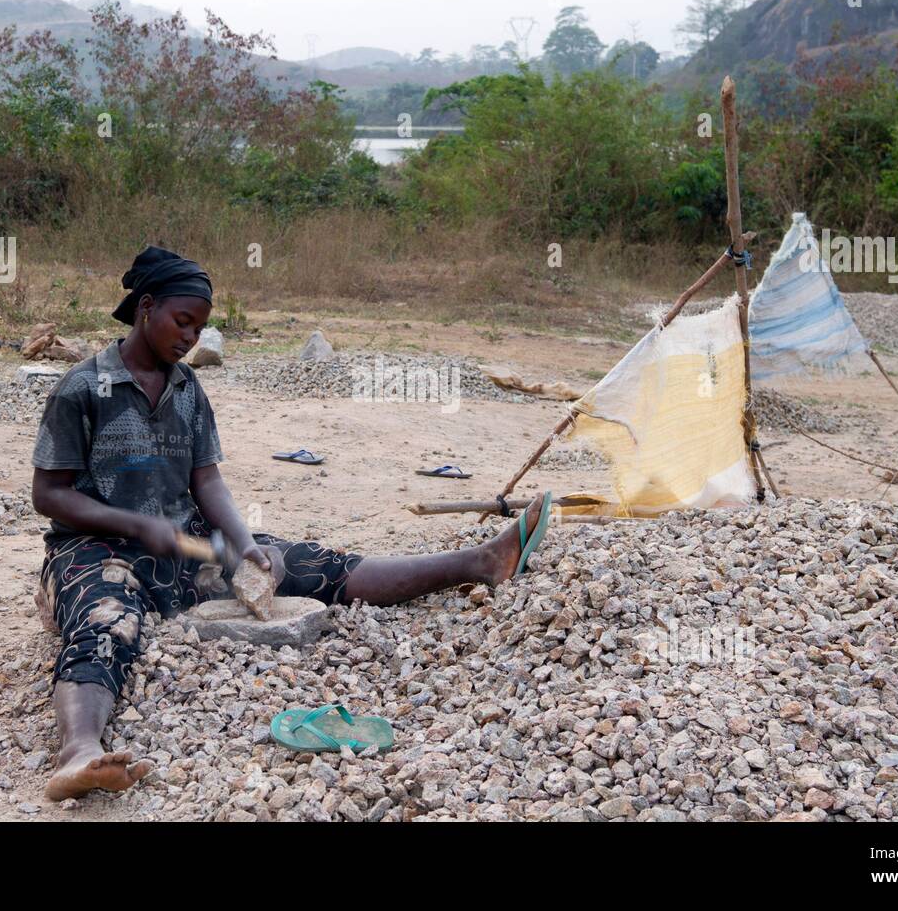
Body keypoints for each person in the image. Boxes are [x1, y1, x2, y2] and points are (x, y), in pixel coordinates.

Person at [30, 246, 550, 801]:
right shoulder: (84, 388)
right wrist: (130, 523)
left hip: (183, 546)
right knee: (106, 622)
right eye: (183, 322)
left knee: (305, 564)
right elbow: (48, 495)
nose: (190, 338)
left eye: (200, 328)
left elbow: (206, 482)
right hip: (95, 551)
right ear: (146, 307)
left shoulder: (187, 389)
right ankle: (79, 753)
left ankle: (481, 562)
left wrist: (246, 544)